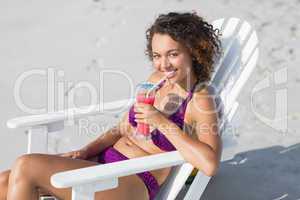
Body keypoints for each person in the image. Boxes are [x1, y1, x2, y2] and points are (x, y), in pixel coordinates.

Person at [0, 11, 222, 200]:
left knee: (26, 165)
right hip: (104, 164)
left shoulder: (200, 98)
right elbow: (124, 128)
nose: (163, 64)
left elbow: (210, 164)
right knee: (4, 181)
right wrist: (88, 150)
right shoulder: (156, 80)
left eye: (173, 54)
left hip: (132, 180)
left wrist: (160, 122)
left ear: (193, 52)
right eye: (156, 55)